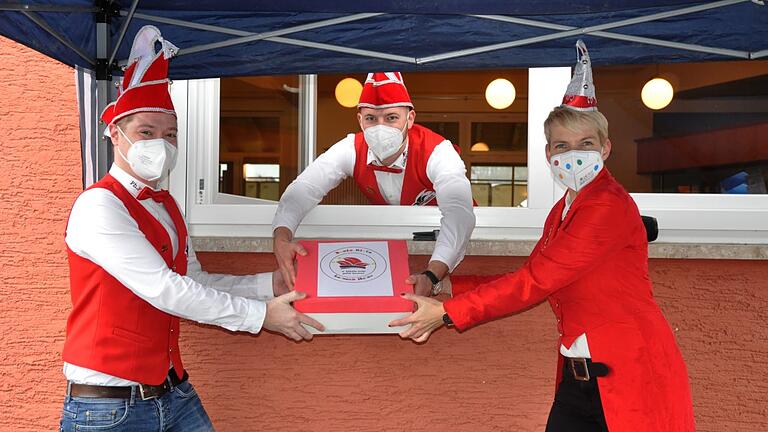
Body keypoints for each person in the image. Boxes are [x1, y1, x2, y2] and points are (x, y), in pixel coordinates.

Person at [391, 40, 695, 432]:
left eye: (585, 144)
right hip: (580, 376)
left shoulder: (606, 205)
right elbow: (536, 273)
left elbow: (535, 282)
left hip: (628, 375)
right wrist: (445, 283)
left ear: (605, 148)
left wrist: (449, 313)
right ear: (549, 154)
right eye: (562, 146)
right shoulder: (565, 208)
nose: (573, 154)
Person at [60, 26, 323, 432]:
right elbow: (165, 288)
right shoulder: (99, 205)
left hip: (172, 392)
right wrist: (259, 316)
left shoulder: (168, 206)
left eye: (170, 135)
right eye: (146, 133)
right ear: (115, 134)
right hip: (109, 408)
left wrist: (269, 283)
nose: (161, 145)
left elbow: (195, 279)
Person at [272, 72, 475, 297]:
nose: (381, 127)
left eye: (391, 118)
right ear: (360, 120)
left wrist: (432, 274)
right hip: (398, 245)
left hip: (457, 249)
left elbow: (459, 214)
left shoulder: (438, 151)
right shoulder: (351, 148)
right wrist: (282, 237)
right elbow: (304, 188)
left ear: (410, 118)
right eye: (371, 118)